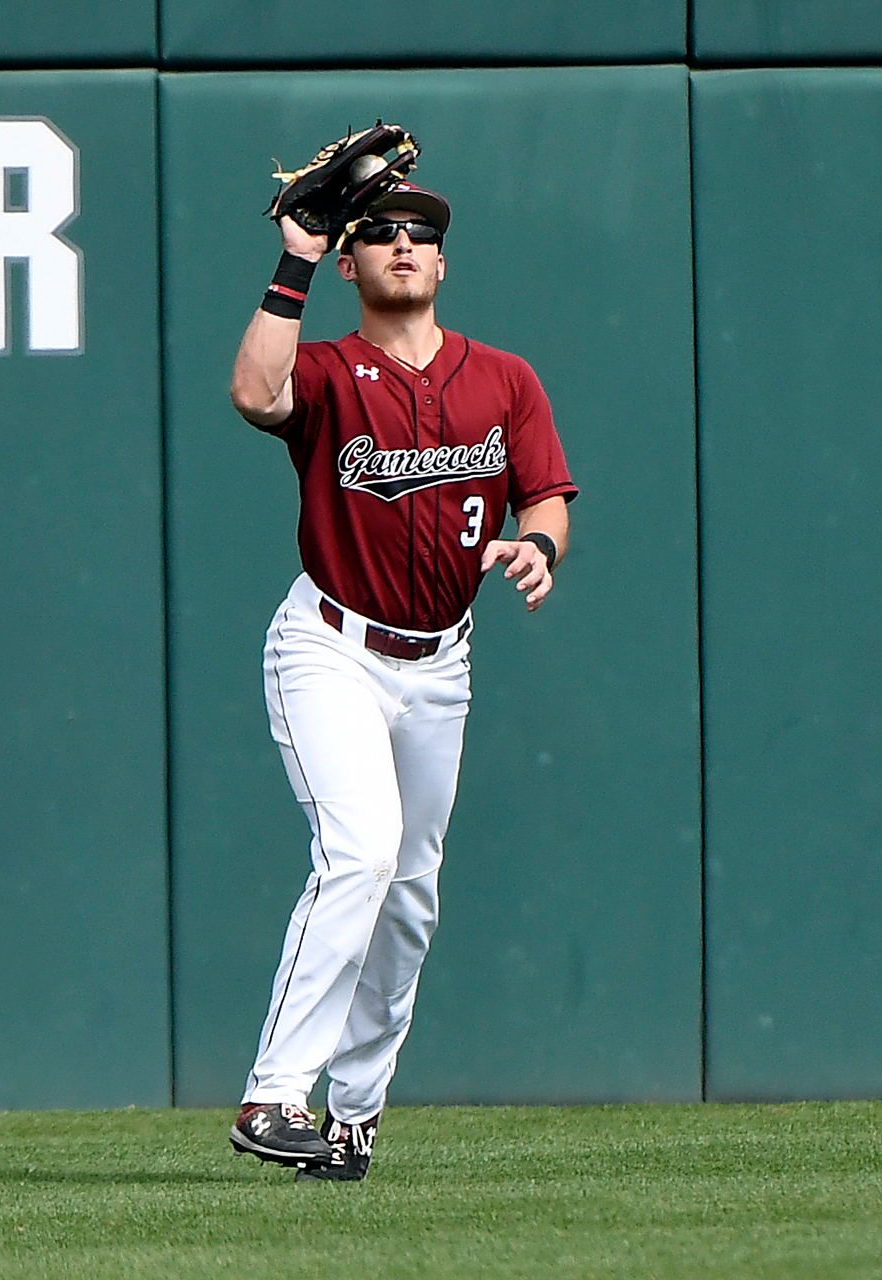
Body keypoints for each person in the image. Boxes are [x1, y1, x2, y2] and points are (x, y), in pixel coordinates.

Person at [227, 179, 577, 1181]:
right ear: (352, 264)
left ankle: (353, 1115)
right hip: (331, 643)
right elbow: (256, 394)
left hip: (441, 663)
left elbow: (544, 491)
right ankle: (274, 1094)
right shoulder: (331, 370)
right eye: (379, 232)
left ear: (444, 261)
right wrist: (293, 255)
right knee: (361, 852)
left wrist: (541, 545)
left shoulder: (503, 378)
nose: (405, 244)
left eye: (423, 234)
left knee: (410, 897)